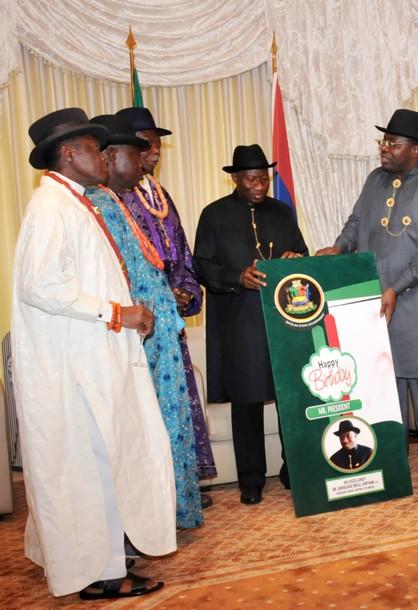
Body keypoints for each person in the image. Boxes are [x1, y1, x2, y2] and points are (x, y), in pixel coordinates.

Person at [12, 108, 175, 598]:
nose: (104, 157)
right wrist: (117, 313)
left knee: (100, 465)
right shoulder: (51, 208)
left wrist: (125, 312)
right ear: (67, 154)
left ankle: (103, 565)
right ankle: (99, 577)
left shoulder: (76, 202)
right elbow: (40, 285)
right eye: (93, 149)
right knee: (85, 470)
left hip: (90, 360)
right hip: (72, 367)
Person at [318, 109, 418, 491]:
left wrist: (398, 285)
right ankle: (391, 465)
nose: (384, 149)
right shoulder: (375, 180)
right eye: (384, 141)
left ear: (415, 150)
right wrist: (338, 247)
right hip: (371, 302)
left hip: (417, 302)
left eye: (392, 144)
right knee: (382, 387)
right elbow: (356, 223)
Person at [87, 113, 203, 529]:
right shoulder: (97, 205)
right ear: (111, 156)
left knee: (166, 425)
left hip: (161, 330)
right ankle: (151, 517)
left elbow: (174, 258)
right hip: (132, 335)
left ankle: (170, 509)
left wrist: (183, 292)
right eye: (137, 151)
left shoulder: (147, 196)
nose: (146, 159)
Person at [194, 144, 308, 505]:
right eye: (251, 179)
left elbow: (302, 253)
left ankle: (295, 470)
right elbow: (202, 266)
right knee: (246, 401)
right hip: (240, 321)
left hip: (284, 319)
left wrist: (296, 258)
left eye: (264, 178)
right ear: (234, 178)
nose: (260, 186)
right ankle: (251, 480)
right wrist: (235, 277)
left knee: (291, 396)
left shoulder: (282, 211)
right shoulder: (213, 215)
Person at [116, 106, 218, 494]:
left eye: (158, 142)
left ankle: (181, 487)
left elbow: (183, 255)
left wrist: (185, 292)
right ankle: (157, 494)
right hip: (140, 324)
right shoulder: (115, 197)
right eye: (146, 142)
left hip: (169, 323)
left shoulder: (160, 195)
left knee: (175, 408)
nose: (155, 150)